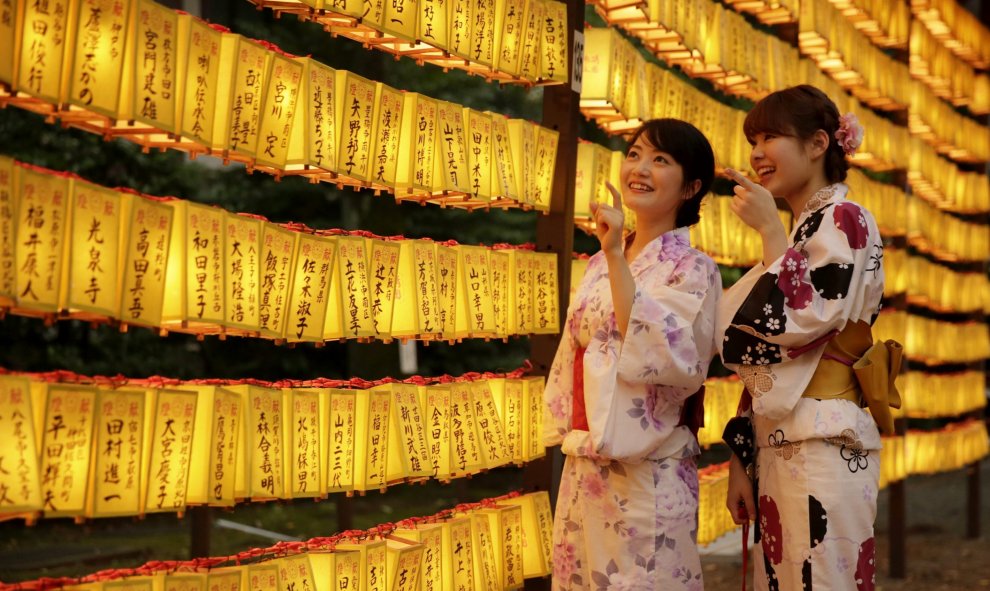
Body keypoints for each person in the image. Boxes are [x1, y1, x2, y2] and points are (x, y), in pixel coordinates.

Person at [716, 85, 886, 590]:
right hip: (780, 439)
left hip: (826, 437)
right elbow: (761, 351)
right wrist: (741, 457)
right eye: (753, 139)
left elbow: (801, 320)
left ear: (817, 144)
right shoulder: (804, 228)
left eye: (771, 136)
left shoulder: (845, 218)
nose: (757, 152)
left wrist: (771, 232)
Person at [543, 118, 721, 590]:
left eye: (661, 160)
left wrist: (619, 259)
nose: (640, 168)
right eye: (636, 154)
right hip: (588, 462)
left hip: (650, 471)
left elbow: (671, 356)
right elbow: (574, 351)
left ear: (692, 187)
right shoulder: (600, 261)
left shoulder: (694, 268)